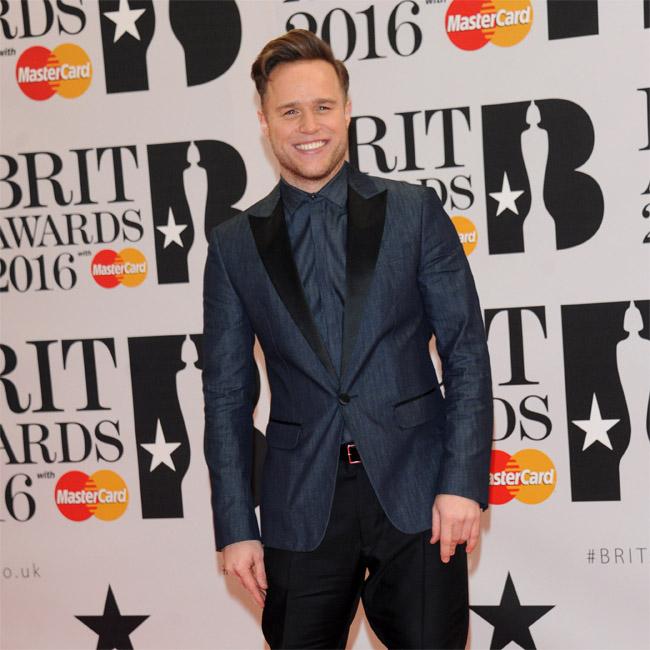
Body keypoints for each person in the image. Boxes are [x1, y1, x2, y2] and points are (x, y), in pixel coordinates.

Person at [202, 28, 493, 650]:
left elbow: (466, 350)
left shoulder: (414, 212)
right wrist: (235, 525)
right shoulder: (233, 245)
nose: (309, 125)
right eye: (290, 111)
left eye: (323, 106)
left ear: (348, 110)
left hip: (419, 496)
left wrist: (463, 483)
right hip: (299, 503)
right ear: (264, 121)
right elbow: (225, 396)